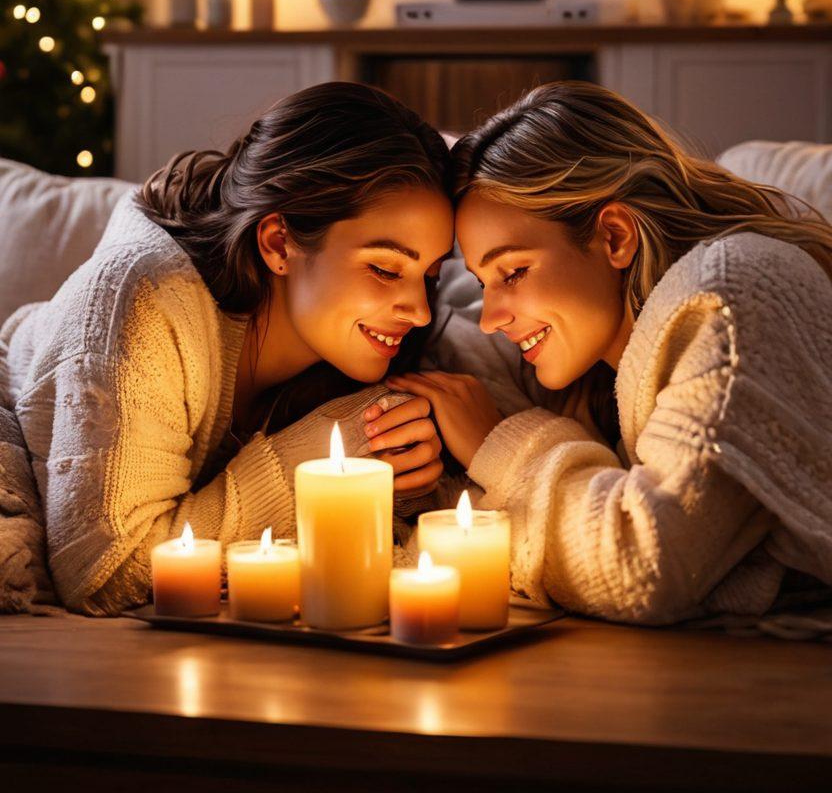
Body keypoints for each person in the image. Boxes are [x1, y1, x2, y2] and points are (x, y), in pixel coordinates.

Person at [376, 81, 832, 625]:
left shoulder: (725, 292)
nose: (494, 318)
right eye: (482, 283)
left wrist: (496, 443)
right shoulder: (608, 372)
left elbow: (648, 564)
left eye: (514, 272)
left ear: (615, 236)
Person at [0, 83, 453, 615]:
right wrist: (319, 461)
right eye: (384, 269)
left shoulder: (364, 352)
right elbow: (107, 574)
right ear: (278, 243)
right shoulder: (147, 298)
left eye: (430, 275)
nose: (419, 310)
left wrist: (411, 472)